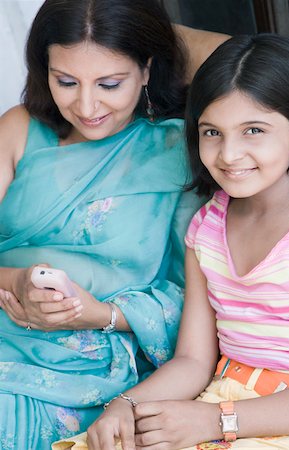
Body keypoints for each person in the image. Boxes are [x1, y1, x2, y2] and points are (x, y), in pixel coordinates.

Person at [0, 1, 231, 449]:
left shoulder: (180, 149)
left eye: (109, 84)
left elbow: (195, 300)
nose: (86, 106)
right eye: (65, 81)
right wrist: (14, 282)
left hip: (93, 366)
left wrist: (103, 316)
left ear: (146, 70)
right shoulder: (19, 128)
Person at [71, 33, 289, 450]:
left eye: (253, 130)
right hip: (220, 396)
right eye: (212, 132)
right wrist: (125, 405)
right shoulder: (207, 225)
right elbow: (195, 361)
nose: (229, 154)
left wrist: (217, 421)